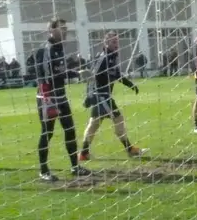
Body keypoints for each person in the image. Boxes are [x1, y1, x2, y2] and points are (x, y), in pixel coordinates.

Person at [34, 19, 92, 181]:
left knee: (70, 131)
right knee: (47, 133)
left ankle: (75, 167)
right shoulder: (46, 50)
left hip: (61, 96)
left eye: (66, 28)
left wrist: (78, 73)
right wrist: (48, 101)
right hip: (47, 97)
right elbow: (45, 77)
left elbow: (61, 71)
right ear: (51, 30)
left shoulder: (60, 48)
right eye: (62, 28)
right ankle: (44, 171)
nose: (65, 31)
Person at [79, 32, 147, 161]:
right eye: (113, 42)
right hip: (102, 97)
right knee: (118, 119)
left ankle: (83, 153)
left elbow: (117, 75)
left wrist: (130, 85)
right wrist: (89, 96)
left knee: (94, 125)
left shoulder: (112, 57)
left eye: (117, 41)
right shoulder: (103, 58)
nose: (116, 44)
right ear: (106, 43)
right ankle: (130, 149)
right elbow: (91, 77)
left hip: (103, 96)